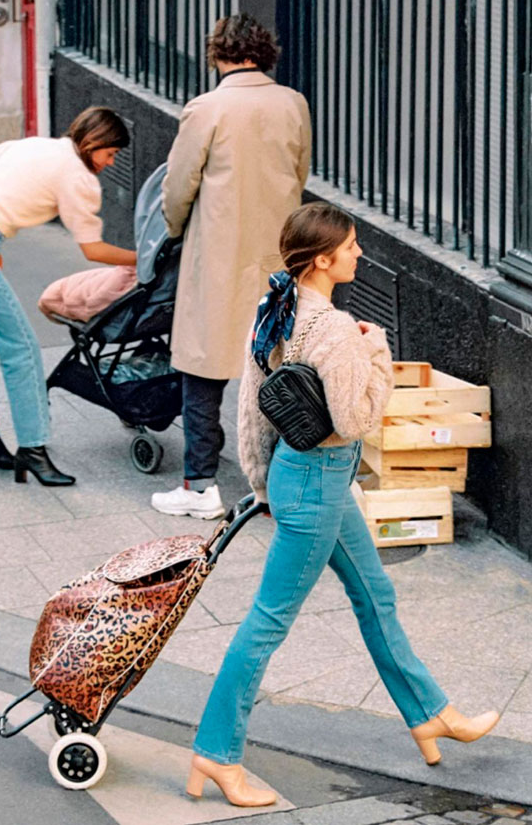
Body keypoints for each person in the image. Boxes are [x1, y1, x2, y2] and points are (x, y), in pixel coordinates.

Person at [184, 202, 500, 808]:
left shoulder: (273, 305)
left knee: (375, 595)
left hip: (300, 477)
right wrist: (375, 349)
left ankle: (431, 715)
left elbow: (252, 404)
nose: (359, 254)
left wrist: (260, 482)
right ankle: (216, 753)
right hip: (318, 483)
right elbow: (357, 420)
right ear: (324, 258)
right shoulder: (330, 328)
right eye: (351, 246)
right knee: (267, 623)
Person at [151, 13, 312, 520]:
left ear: (217, 54)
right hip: (278, 254)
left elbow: (178, 187)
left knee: (203, 367)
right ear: (264, 52)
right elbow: (300, 172)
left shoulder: (206, 108)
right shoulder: (293, 103)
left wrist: (176, 232)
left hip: (219, 254)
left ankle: (201, 486)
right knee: (275, 366)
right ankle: (276, 484)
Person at [0, 107, 137, 486]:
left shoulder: (30, 145)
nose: (109, 163)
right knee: (22, 348)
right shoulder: (78, 177)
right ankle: (33, 449)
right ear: (93, 143)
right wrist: (141, 259)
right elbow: (92, 250)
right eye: (109, 154)